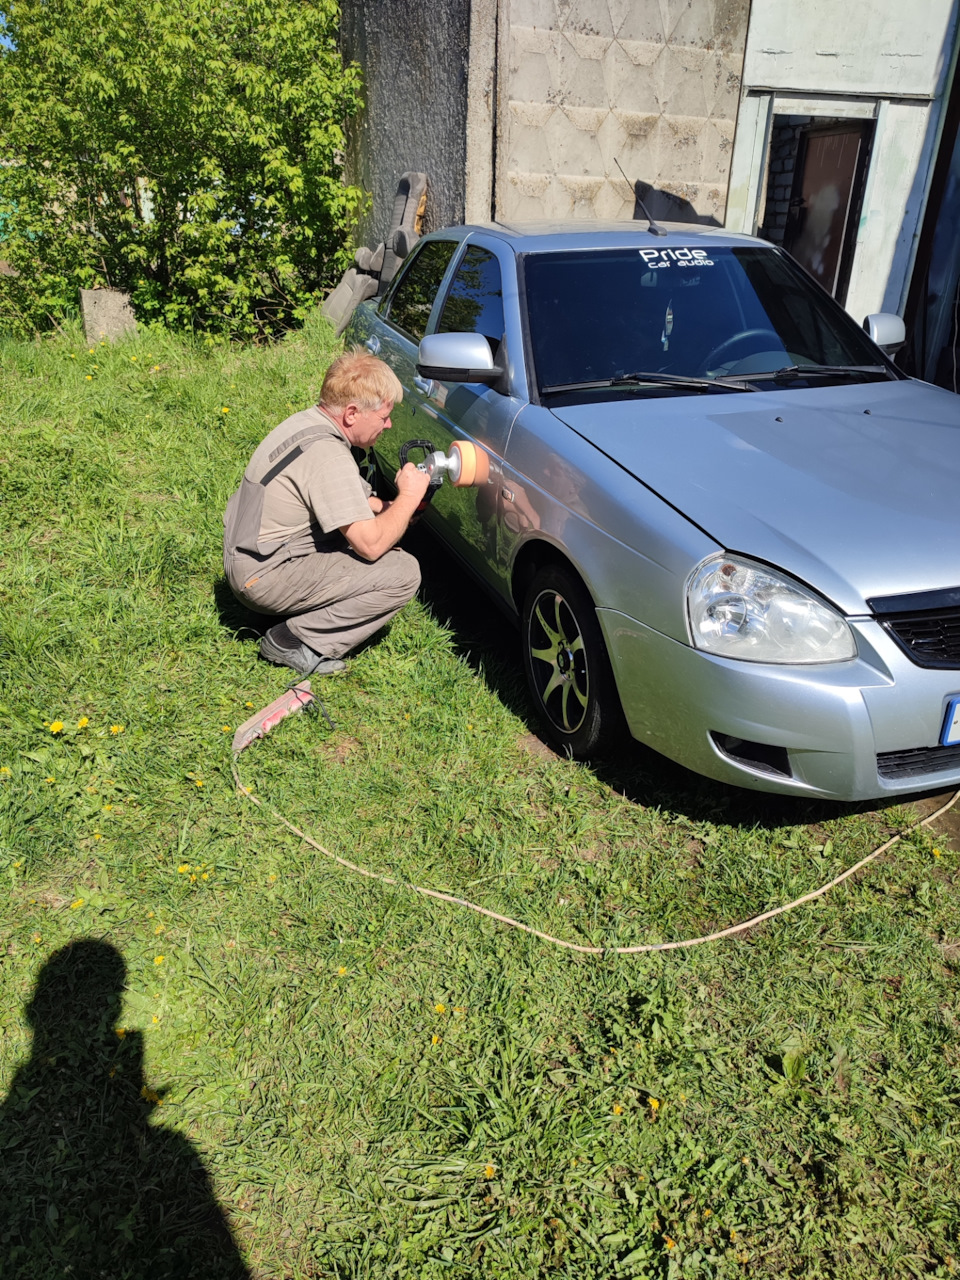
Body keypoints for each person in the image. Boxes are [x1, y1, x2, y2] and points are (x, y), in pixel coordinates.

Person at [223, 350, 431, 675]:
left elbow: (348, 498)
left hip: (248, 556)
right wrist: (408, 496)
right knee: (403, 572)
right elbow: (372, 545)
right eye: (383, 416)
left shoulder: (308, 424)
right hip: (262, 576)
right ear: (351, 413)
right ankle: (294, 641)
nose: (389, 425)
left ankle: (288, 613)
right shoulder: (329, 457)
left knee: (360, 534)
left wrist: (391, 509)